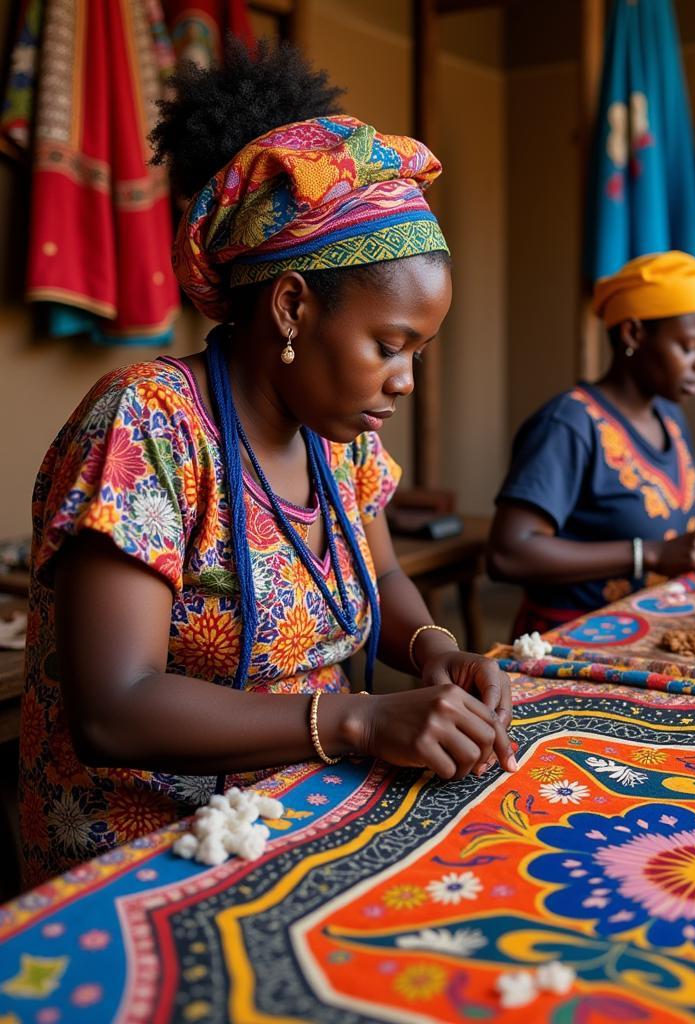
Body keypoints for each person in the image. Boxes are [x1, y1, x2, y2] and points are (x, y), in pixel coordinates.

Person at [19, 42, 515, 888]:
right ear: (291, 305)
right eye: (389, 346)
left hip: (295, 807)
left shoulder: (341, 438)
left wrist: (435, 649)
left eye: (418, 353)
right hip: (150, 850)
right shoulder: (148, 426)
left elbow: (383, 576)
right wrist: (358, 721)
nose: (404, 381)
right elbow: (116, 706)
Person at [488, 251, 695, 637]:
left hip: (653, 627)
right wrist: (648, 554)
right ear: (633, 333)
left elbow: (679, 514)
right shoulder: (569, 424)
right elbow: (509, 553)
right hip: (572, 639)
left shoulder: (668, 417)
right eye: (689, 346)